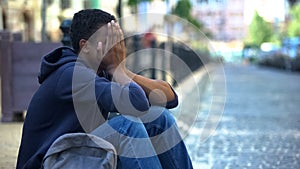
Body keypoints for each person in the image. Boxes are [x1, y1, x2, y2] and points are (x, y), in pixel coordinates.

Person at [17, 9, 193, 169]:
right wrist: (117, 69)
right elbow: (137, 104)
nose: (116, 49)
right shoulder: (72, 74)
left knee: (159, 118)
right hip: (52, 162)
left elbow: (169, 98)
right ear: (85, 46)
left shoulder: (100, 71)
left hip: (78, 153)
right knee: (126, 126)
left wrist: (120, 71)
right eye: (108, 41)